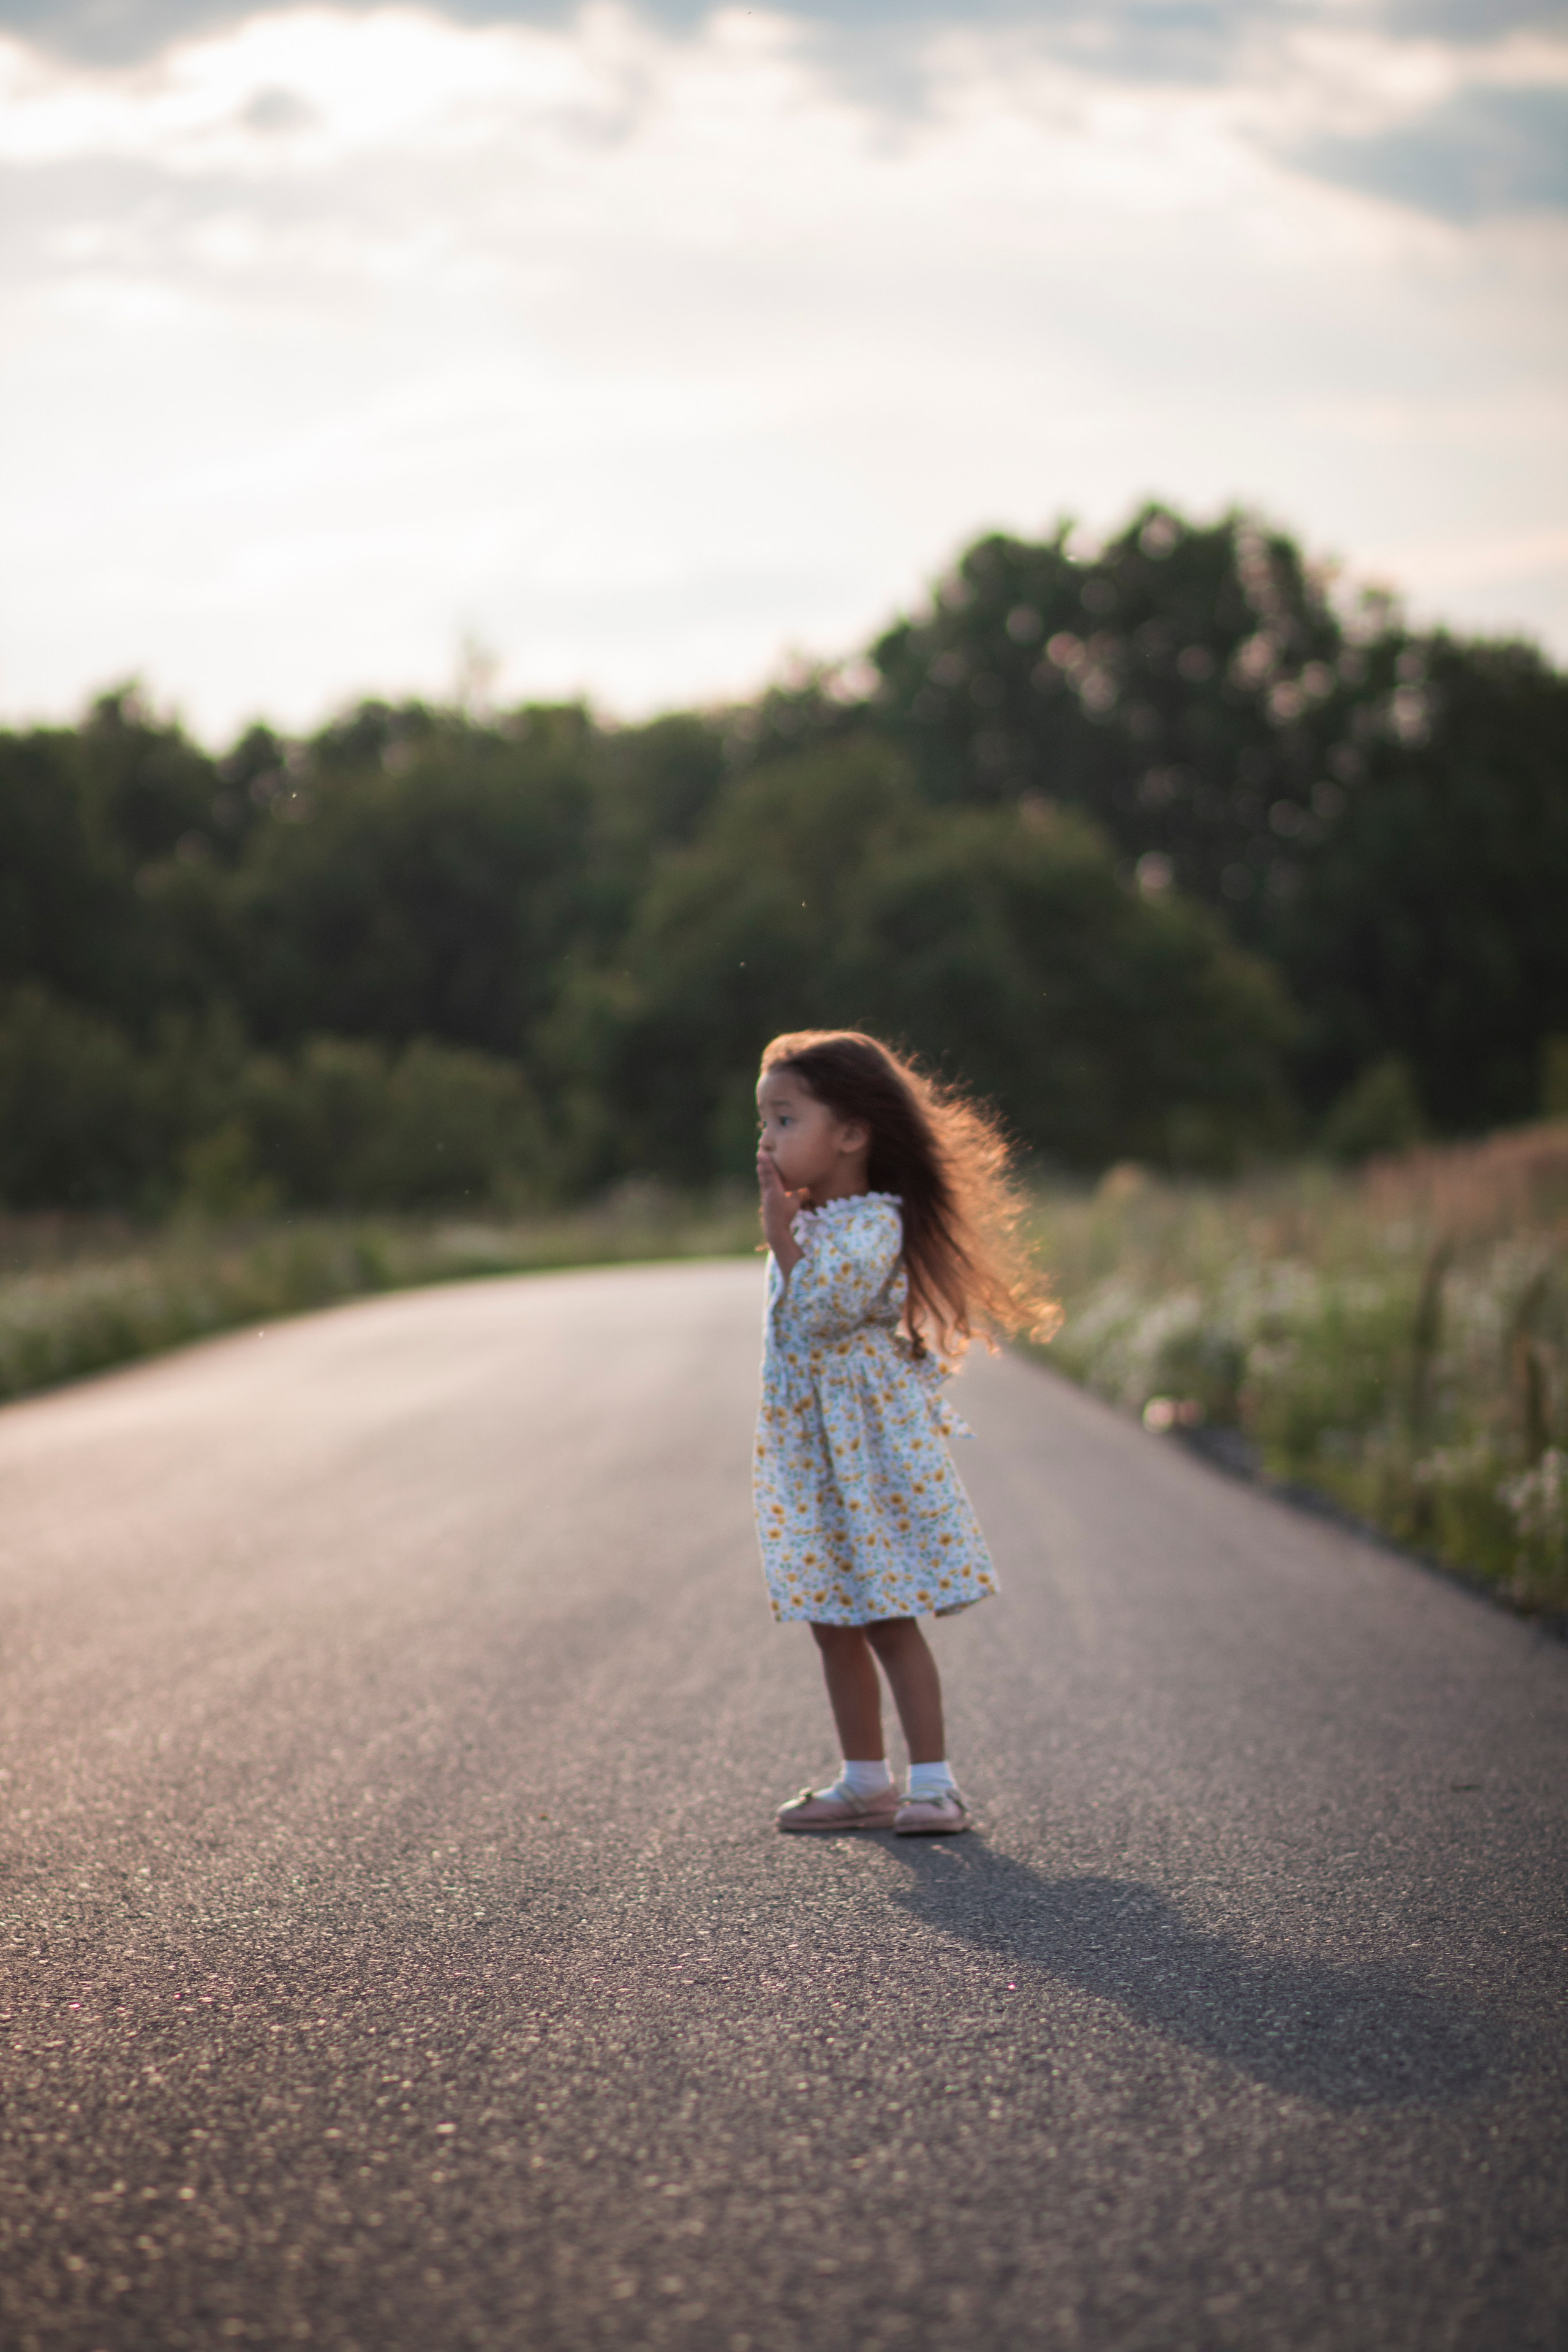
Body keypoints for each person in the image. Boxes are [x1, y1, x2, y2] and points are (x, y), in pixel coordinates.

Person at [753, 1029, 1056, 1836]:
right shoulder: (818, 1222)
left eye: (785, 1120)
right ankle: (864, 1779)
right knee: (832, 1615)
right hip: (818, 1458)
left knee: (886, 1612)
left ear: (850, 1135)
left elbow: (817, 1312)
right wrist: (790, 1231)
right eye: (766, 1122)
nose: (767, 1140)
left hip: (867, 1459)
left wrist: (781, 1235)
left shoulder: (870, 1226)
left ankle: (935, 1784)